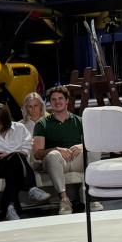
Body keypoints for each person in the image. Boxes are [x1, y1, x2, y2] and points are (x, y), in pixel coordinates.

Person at [33, 85, 88, 214]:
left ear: (67, 100)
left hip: (76, 160)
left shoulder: (79, 121)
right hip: (57, 162)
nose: (57, 102)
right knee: (53, 155)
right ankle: (64, 200)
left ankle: (91, 197)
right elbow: (37, 154)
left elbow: (94, 142)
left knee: (93, 151)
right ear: (50, 103)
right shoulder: (42, 123)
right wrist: (56, 149)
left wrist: (82, 146)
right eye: (53, 99)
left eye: (60, 98)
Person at [0, 103, 34, 221]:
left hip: (16, 165)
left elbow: (27, 149)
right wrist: (6, 155)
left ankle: (10, 207)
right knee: (15, 158)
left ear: (5, 120)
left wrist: (9, 154)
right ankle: (31, 186)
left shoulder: (19, 128)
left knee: (14, 164)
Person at [19, 92, 52, 204]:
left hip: (47, 155)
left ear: (41, 106)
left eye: (36, 106)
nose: (33, 109)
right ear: (26, 108)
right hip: (30, 158)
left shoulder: (50, 121)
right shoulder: (20, 125)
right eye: (30, 106)